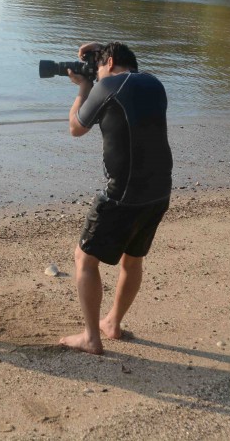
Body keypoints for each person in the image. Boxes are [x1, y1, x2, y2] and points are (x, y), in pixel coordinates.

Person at [60, 42, 173, 355]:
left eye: (98, 67)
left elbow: (75, 127)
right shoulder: (155, 84)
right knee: (132, 259)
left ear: (109, 63)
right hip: (160, 190)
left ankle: (91, 337)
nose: (96, 74)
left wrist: (83, 88)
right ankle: (112, 323)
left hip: (123, 193)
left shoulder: (107, 84)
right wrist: (101, 55)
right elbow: (122, 81)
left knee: (84, 258)